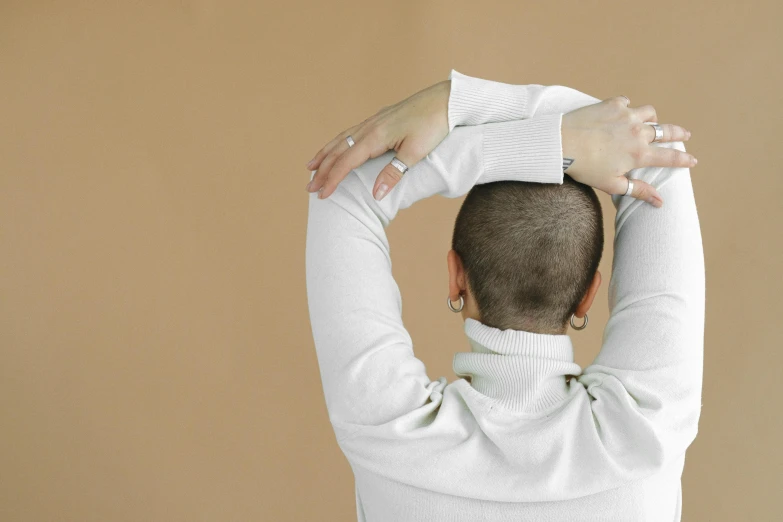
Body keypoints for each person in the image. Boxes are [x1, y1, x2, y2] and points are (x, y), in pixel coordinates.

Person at [304, 70, 705, 521]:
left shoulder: (390, 429)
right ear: (586, 297)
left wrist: (537, 139)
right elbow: (655, 158)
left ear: (456, 277)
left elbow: (341, 192)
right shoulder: (648, 426)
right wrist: (458, 102)